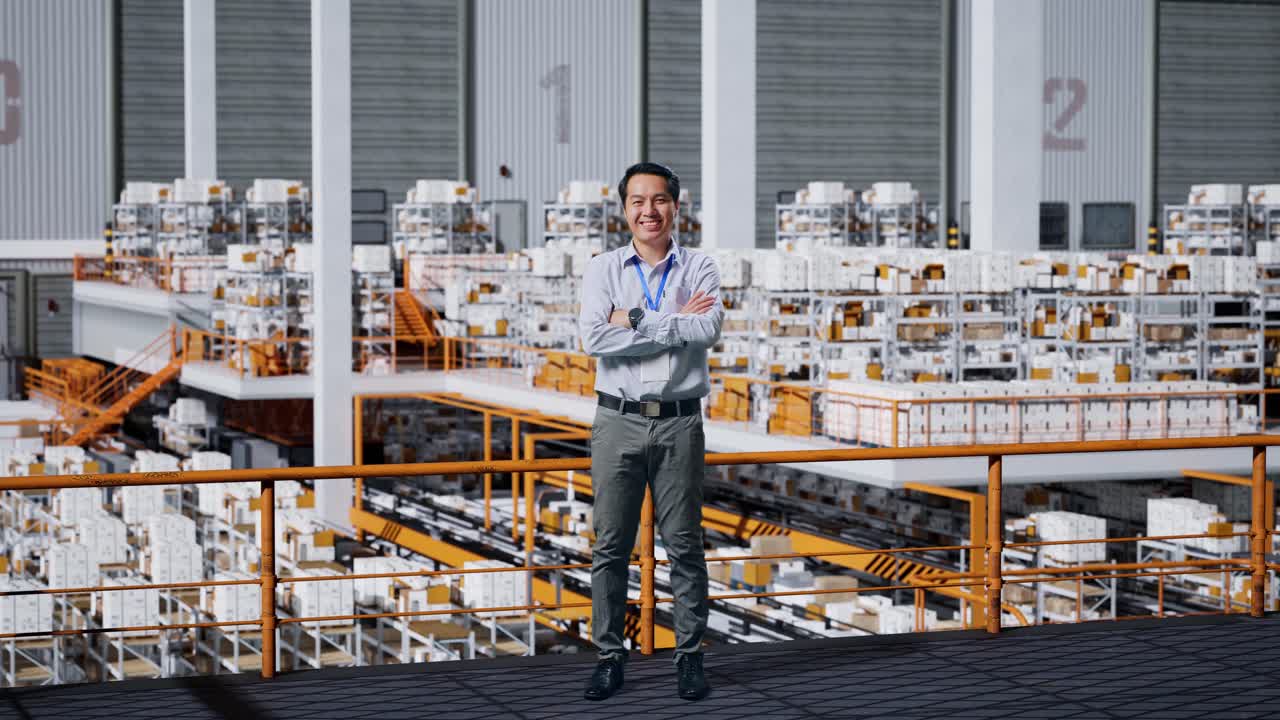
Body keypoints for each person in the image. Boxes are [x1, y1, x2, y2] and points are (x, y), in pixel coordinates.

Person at [578, 162, 723, 702]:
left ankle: (689, 658)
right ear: (624, 211)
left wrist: (634, 318)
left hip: (681, 421)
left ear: (675, 207)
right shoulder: (602, 269)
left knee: (685, 544)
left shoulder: (701, 266)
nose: (648, 211)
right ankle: (609, 658)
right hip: (617, 419)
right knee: (609, 546)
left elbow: (705, 329)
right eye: (637, 201)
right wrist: (669, 325)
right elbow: (594, 339)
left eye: (658, 200)